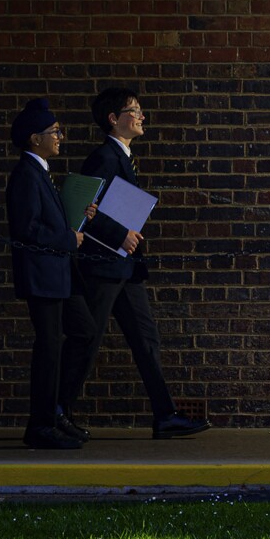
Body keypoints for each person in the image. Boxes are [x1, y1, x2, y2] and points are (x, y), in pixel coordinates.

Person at [57, 88, 209, 440]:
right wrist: (119, 235)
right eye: (134, 110)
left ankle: (165, 415)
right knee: (87, 340)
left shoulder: (121, 157)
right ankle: (57, 409)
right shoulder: (104, 158)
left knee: (145, 339)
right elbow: (85, 209)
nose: (141, 117)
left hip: (124, 268)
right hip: (105, 267)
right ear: (114, 119)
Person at [3, 98, 98, 451]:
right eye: (54, 131)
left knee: (84, 332)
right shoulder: (26, 174)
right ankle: (41, 425)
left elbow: (46, 221)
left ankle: (56, 411)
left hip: (59, 273)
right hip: (43, 275)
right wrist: (67, 238)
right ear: (34, 138)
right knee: (48, 349)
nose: (60, 136)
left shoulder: (40, 171)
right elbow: (26, 229)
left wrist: (77, 216)